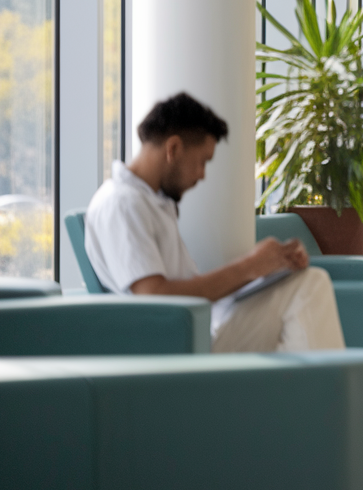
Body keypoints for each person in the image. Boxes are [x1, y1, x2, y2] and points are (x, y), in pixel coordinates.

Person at [85, 92, 345, 352]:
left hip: (194, 331)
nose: (202, 175)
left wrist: (263, 269)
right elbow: (154, 300)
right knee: (310, 286)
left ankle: (312, 388)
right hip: (178, 346)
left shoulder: (150, 202)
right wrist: (249, 267)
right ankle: (326, 388)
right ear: (173, 148)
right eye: (202, 162)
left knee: (301, 286)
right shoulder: (123, 203)